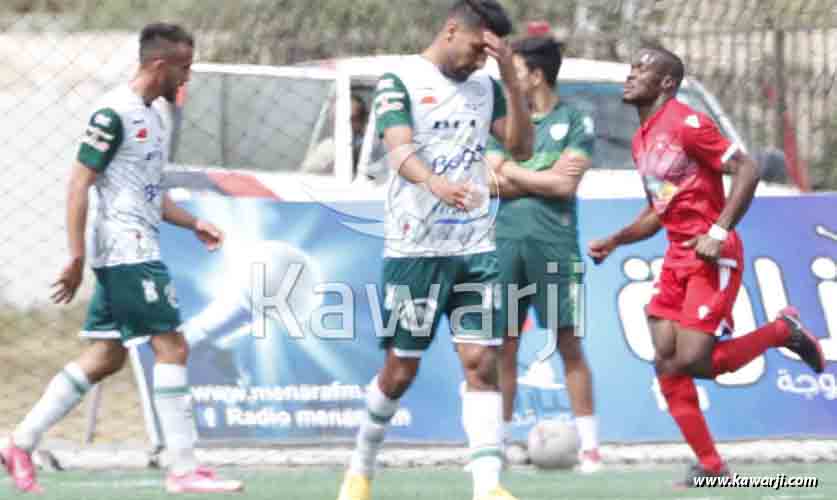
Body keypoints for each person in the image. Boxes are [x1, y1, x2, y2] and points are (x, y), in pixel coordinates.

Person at [0, 23, 243, 494]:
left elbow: (149, 193)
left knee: (106, 356)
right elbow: (78, 183)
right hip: (127, 249)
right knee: (171, 347)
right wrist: (74, 256)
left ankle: (19, 442)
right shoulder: (113, 113)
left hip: (137, 245)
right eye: (184, 69)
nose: (186, 79)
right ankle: (184, 468)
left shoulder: (155, 117)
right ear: (159, 65)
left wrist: (193, 222)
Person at [587, 45, 826, 486]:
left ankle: (782, 332)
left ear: (666, 84)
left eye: (642, 70)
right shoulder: (642, 140)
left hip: (712, 255)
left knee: (695, 360)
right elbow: (661, 210)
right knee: (666, 361)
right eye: (631, 68)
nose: (630, 75)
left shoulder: (686, 122)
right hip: (677, 257)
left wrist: (717, 231)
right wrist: (617, 239)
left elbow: (749, 168)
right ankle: (712, 466)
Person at [336, 1, 533, 500]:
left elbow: (523, 149)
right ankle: (360, 467)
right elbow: (399, 150)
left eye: (490, 55)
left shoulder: (489, 87)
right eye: (476, 49)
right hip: (414, 250)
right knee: (401, 369)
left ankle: (488, 487)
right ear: (451, 31)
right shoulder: (399, 80)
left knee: (481, 362)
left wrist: (509, 78)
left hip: (475, 248)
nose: (479, 61)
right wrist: (437, 184)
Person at [485, 36, 601, 473]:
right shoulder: (500, 125)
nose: (506, 80)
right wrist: (540, 175)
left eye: (512, 70)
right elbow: (490, 183)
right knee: (504, 345)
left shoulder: (576, 121)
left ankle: (589, 448)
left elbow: (564, 186)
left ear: (534, 75)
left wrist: (512, 171)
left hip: (555, 249)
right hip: (505, 247)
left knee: (568, 343)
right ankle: (496, 444)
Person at [301, 94, 368, 174]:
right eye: (337, 119)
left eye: (351, 119)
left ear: (362, 121)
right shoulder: (325, 149)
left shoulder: (373, 148)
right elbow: (305, 175)